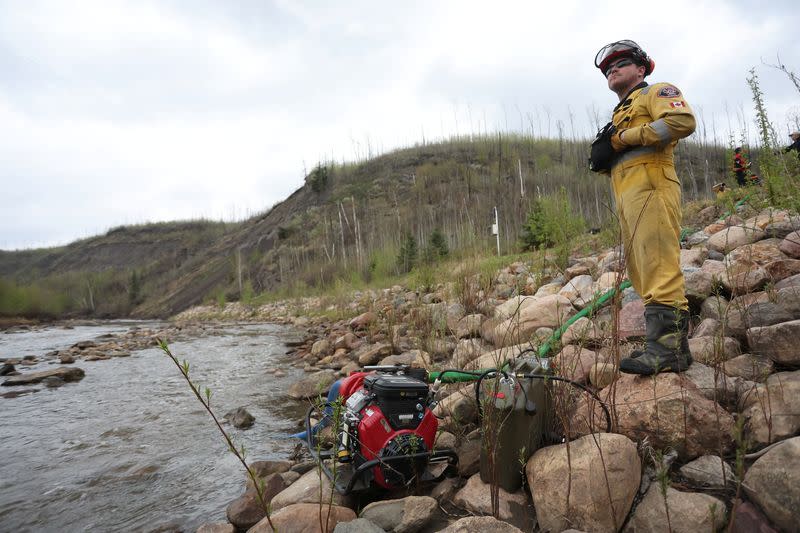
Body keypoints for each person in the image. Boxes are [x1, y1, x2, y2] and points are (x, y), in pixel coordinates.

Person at [590, 40, 696, 375]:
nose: (612, 69)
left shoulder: (657, 92)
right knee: (642, 270)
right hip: (628, 194)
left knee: (659, 264)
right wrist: (605, 154)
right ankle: (662, 345)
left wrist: (625, 138)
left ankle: (669, 350)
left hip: (652, 186)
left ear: (641, 68)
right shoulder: (619, 113)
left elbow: (681, 121)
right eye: (607, 68)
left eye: (620, 63)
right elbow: (622, 152)